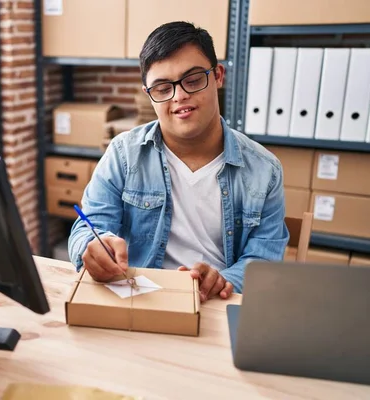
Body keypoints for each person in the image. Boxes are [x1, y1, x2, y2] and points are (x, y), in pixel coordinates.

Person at [68, 21, 289, 302]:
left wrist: (222, 280)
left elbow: (264, 260)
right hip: (138, 298)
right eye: (162, 88)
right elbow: (88, 226)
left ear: (218, 76)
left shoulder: (264, 170)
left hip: (216, 302)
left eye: (193, 80)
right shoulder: (124, 153)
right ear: (149, 95)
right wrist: (92, 246)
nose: (180, 96)